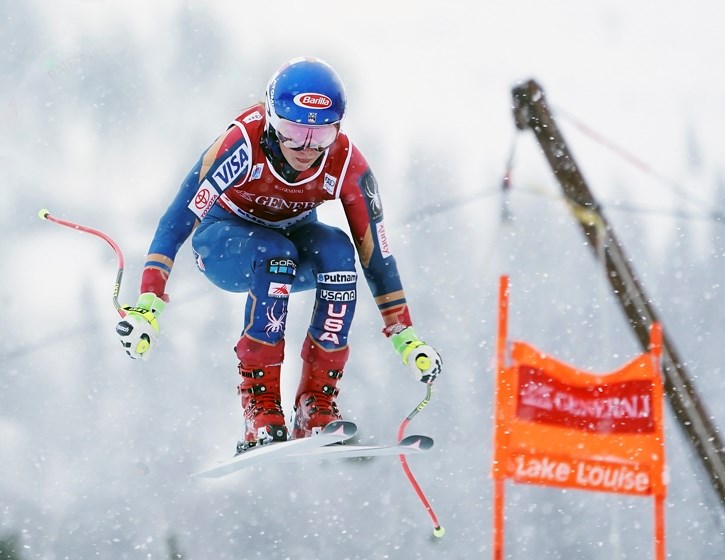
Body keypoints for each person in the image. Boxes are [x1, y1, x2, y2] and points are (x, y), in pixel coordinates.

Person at [115, 56, 442, 452]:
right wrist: (149, 301)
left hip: (290, 242)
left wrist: (404, 335)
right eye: (291, 131)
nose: (305, 148)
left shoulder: (346, 162)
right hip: (224, 245)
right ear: (271, 119)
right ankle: (260, 406)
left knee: (338, 250)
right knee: (276, 253)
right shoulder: (243, 144)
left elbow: (376, 252)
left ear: (337, 129)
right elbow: (176, 220)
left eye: (320, 135)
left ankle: (315, 404)